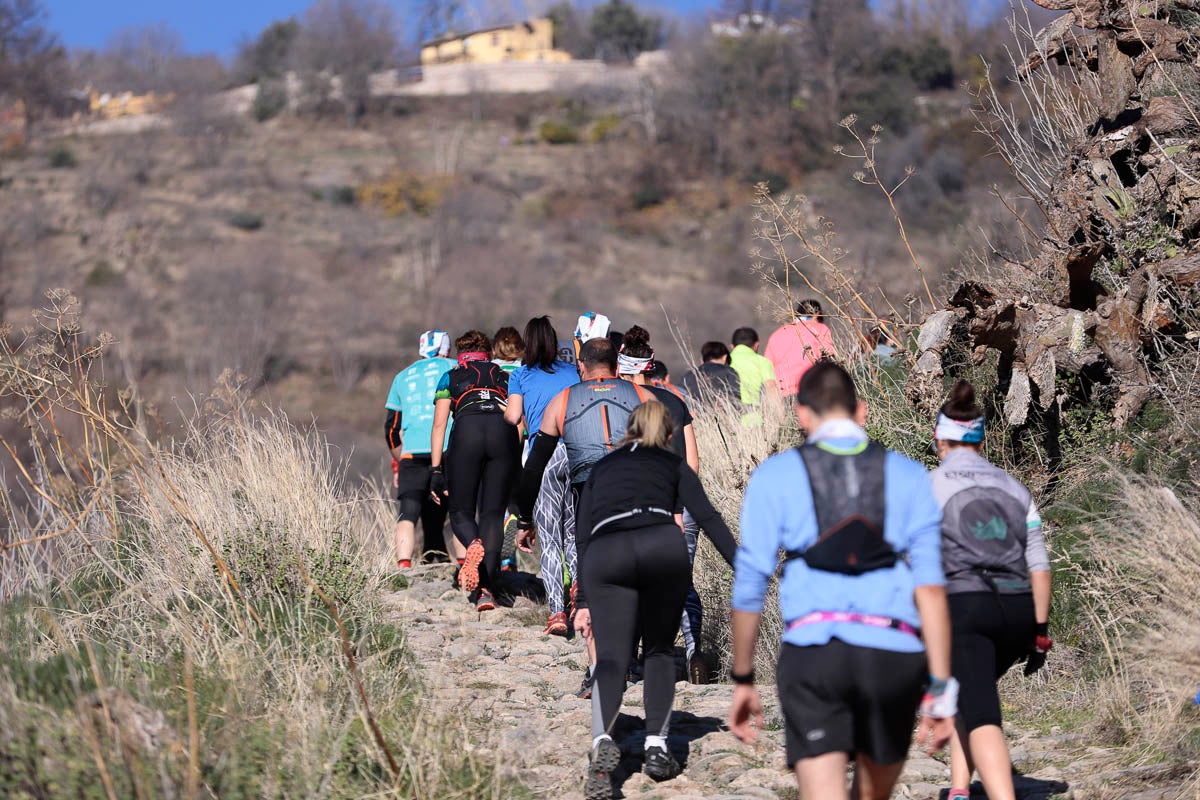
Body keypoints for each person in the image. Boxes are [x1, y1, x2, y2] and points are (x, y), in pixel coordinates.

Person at [728, 362, 956, 800]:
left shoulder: (773, 476)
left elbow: (751, 581)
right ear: (862, 412)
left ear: (801, 415)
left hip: (814, 658)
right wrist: (941, 687)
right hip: (893, 657)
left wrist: (743, 677)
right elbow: (930, 586)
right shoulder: (910, 475)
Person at [575, 401, 737, 800]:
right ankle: (657, 747)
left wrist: (581, 597)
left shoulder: (602, 468)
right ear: (668, 436)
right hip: (661, 547)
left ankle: (601, 745)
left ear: (628, 431)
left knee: (612, 658)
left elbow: (582, 535)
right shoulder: (673, 465)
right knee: (661, 652)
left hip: (607, 552)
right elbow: (710, 518)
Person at [930, 381, 1053, 800]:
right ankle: (961, 788)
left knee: (982, 714)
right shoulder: (1015, 488)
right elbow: (1039, 564)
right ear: (981, 440)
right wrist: (1039, 629)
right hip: (1019, 609)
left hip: (967, 608)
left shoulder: (927, 486)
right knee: (972, 685)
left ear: (939, 439)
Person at [517, 337, 653, 695]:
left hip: (590, 497)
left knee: (596, 582)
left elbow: (534, 467)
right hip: (636, 491)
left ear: (581, 366)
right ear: (617, 365)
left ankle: (599, 669)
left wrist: (524, 518)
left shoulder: (562, 401)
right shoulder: (642, 397)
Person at [617, 325, 710, 683]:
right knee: (681, 581)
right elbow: (693, 462)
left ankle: (635, 658)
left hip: (642, 508)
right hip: (682, 505)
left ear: (623, 367)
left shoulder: (622, 400)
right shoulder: (675, 401)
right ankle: (693, 652)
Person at [430, 330, 521, 612]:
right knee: (493, 514)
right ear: (489, 353)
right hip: (501, 434)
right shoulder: (504, 377)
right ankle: (486, 591)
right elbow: (518, 422)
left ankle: (472, 544)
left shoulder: (451, 376)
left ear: (461, 354)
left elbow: (439, 425)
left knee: (460, 511)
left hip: (466, 432)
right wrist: (513, 461)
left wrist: (436, 470)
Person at [505, 316, 582, 634]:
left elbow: (512, 417)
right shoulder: (573, 372)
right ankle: (580, 592)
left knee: (550, 541)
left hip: (543, 457)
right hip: (577, 454)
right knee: (574, 534)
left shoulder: (519, 375)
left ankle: (557, 613)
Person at [384, 330, 458, 569]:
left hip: (412, 453)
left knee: (408, 512)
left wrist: (400, 459)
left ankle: (403, 564)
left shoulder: (402, 376)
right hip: (449, 450)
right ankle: (466, 566)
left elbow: (391, 429)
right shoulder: (457, 367)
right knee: (459, 509)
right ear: (446, 349)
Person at [492, 325, 525, 572]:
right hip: (521, 442)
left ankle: (498, 558)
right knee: (514, 502)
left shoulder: (490, 371)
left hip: (492, 440)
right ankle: (509, 560)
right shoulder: (526, 372)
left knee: (494, 501)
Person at [764, 300, 837, 402]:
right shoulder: (820, 329)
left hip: (783, 391)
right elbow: (830, 357)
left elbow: (767, 366)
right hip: (812, 388)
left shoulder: (777, 334)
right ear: (817, 315)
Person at [728, 327, 780, 425]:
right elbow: (771, 389)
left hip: (727, 420)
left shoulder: (724, 363)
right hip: (755, 419)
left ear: (731, 347)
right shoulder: (763, 362)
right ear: (756, 345)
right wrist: (781, 420)